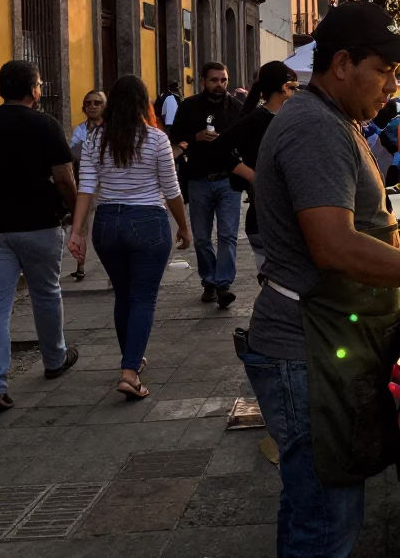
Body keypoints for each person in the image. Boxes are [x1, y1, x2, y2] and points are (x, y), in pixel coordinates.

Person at [240, 1, 400, 556]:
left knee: (310, 501)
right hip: (306, 343)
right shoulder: (316, 128)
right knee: (328, 518)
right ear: (341, 64)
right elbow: (332, 245)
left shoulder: (338, 121)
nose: (391, 85)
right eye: (382, 70)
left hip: (328, 335)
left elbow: (350, 223)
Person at [0, 60, 80, 414]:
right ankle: (54, 357)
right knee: (46, 292)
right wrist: (74, 210)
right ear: (34, 89)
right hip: (39, 223)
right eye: (40, 83)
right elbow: (63, 176)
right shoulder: (46, 124)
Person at [67, 76, 191, 398]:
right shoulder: (156, 139)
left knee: (123, 296)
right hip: (148, 221)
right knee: (143, 299)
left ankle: (131, 359)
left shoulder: (96, 139)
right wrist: (184, 225)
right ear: (144, 103)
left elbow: (86, 187)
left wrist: (77, 229)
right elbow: (172, 190)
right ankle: (129, 373)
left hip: (107, 224)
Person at [210, 62, 299, 270]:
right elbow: (218, 149)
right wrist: (251, 175)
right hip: (266, 218)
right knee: (276, 283)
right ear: (284, 87)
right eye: (294, 87)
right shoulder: (257, 119)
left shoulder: (288, 119)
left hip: (288, 216)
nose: (296, 93)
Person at [170, 62, 244, 308]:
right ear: (203, 81)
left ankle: (223, 284)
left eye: (223, 80)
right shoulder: (189, 107)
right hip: (199, 180)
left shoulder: (236, 108)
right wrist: (196, 138)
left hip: (227, 180)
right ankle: (209, 280)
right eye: (214, 80)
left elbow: (245, 142)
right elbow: (175, 139)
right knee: (202, 238)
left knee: (228, 235)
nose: (219, 85)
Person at [68, 90, 106, 280]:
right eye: (88, 103)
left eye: (97, 103)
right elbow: (74, 153)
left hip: (108, 184)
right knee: (82, 223)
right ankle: (80, 265)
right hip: (86, 183)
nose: (92, 106)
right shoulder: (80, 130)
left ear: (104, 107)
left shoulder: (112, 130)